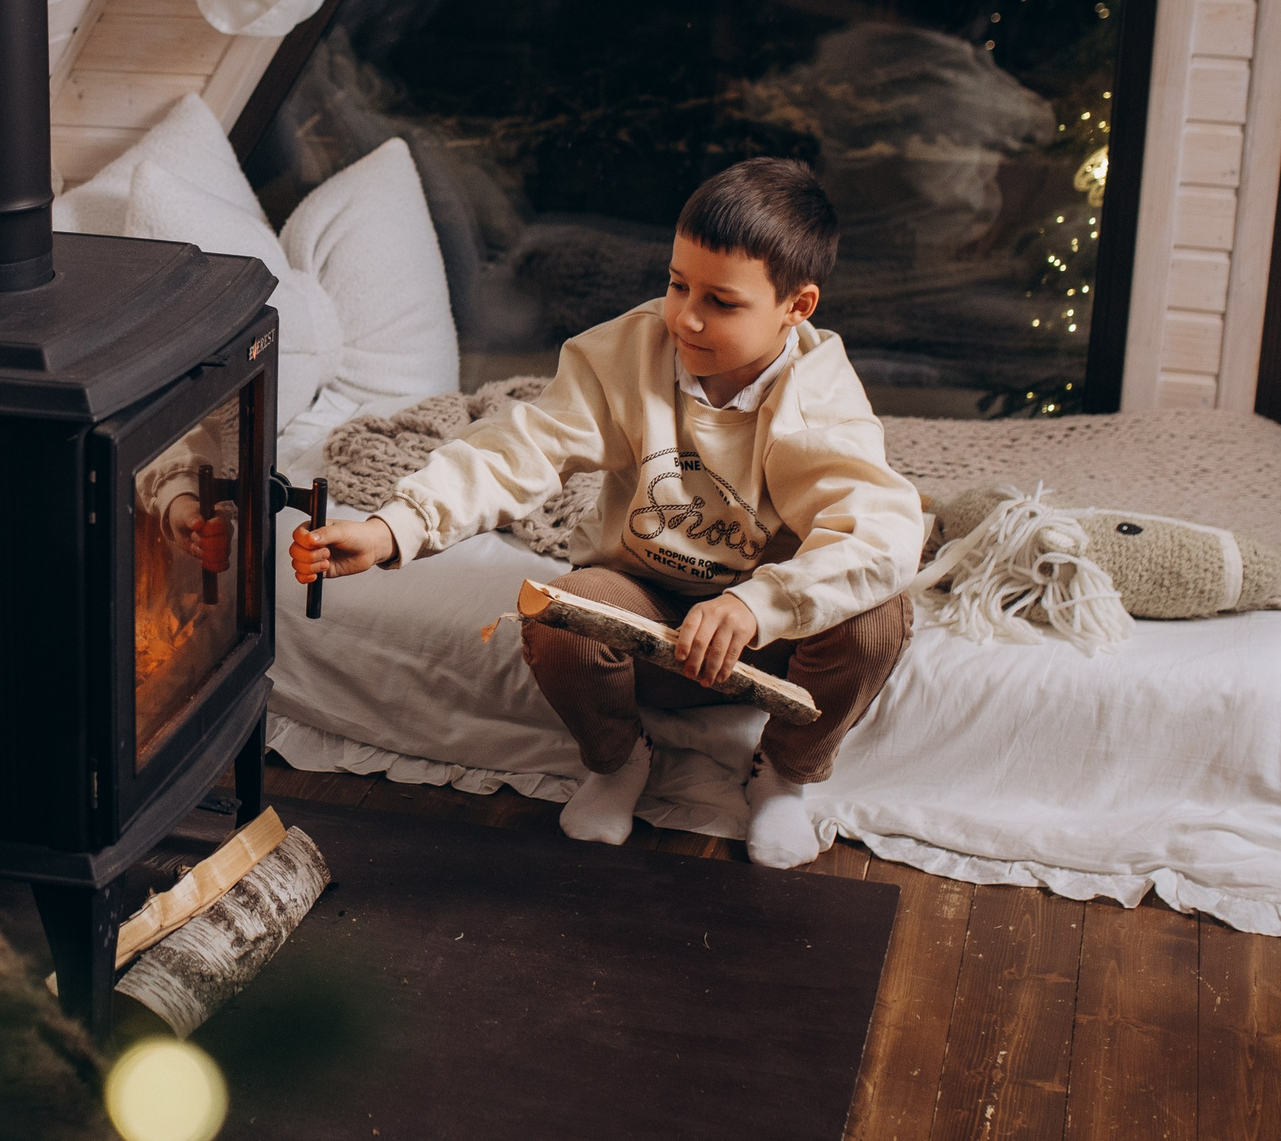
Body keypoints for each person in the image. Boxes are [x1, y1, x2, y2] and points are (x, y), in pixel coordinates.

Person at [289, 158, 925, 869]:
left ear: (796, 308)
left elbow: (885, 530)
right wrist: (393, 527)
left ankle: (781, 773)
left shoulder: (823, 396)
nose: (685, 315)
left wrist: (760, 602)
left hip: (763, 639)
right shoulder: (629, 351)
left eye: (722, 300)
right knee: (556, 611)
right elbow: (515, 448)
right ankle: (619, 757)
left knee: (880, 616)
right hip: (646, 611)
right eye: (678, 283)